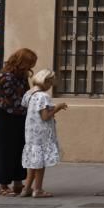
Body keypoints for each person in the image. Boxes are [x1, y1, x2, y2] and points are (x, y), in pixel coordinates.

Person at [0, 48, 36, 197]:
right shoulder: (7, 76)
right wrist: (1, 97)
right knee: (7, 150)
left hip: (21, 116)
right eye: (29, 63)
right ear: (21, 61)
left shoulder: (22, 76)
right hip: (6, 117)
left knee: (20, 148)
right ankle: (3, 185)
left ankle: (18, 182)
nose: (31, 66)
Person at [21, 69, 67, 198]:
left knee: (33, 162)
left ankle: (27, 188)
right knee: (40, 163)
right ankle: (38, 189)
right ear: (46, 81)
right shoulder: (43, 96)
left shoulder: (30, 93)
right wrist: (57, 108)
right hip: (41, 133)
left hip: (30, 132)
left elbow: (30, 108)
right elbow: (45, 116)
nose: (50, 86)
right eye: (50, 83)